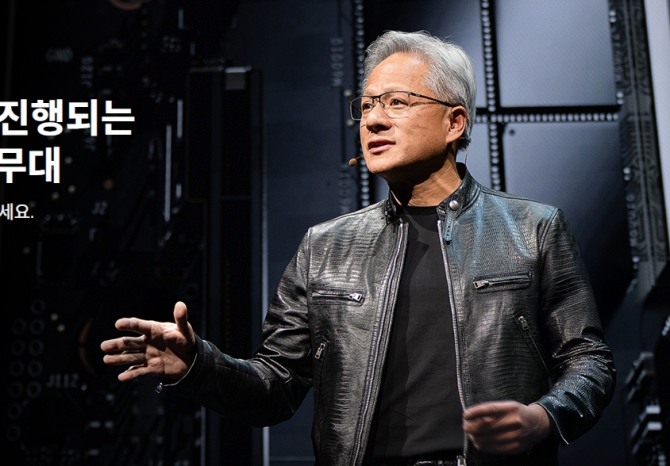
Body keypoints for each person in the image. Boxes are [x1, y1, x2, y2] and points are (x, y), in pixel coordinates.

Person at [100, 30, 616, 466]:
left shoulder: (533, 229)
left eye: (396, 102)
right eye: (366, 105)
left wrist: (542, 418)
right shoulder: (324, 248)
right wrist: (198, 365)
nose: (372, 120)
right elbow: (275, 385)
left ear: (454, 123)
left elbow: (589, 363)